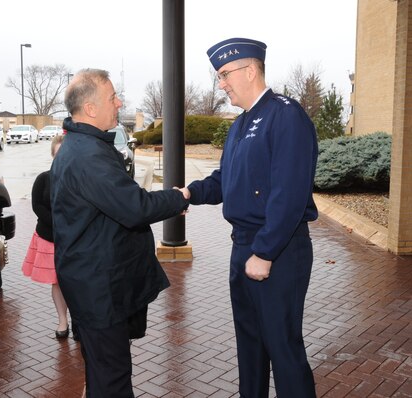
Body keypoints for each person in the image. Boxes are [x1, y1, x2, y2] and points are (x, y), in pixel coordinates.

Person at [179, 38, 318, 397]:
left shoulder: (285, 115)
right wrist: (191, 193)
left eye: (224, 74)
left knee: (283, 348)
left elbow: (288, 194)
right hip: (244, 247)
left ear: (251, 69)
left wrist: (266, 251)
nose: (221, 83)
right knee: (250, 347)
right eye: (219, 76)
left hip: (278, 250)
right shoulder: (241, 125)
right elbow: (225, 180)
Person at [50, 68, 189, 398]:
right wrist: (177, 198)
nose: (119, 102)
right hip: (98, 289)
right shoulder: (87, 155)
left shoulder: (83, 146)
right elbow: (134, 207)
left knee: (104, 374)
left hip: (95, 284)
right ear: (91, 108)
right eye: (113, 97)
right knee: (111, 378)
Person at [22, 134, 70, 339]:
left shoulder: (79, 179)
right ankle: (62, 320)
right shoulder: (43, 179)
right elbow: (37, 206)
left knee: (77, 282)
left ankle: (80, 321)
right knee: (57, 282)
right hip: (48, 238)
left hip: (74, 240)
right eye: (57, 154)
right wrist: (56, 222)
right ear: (52, 155)